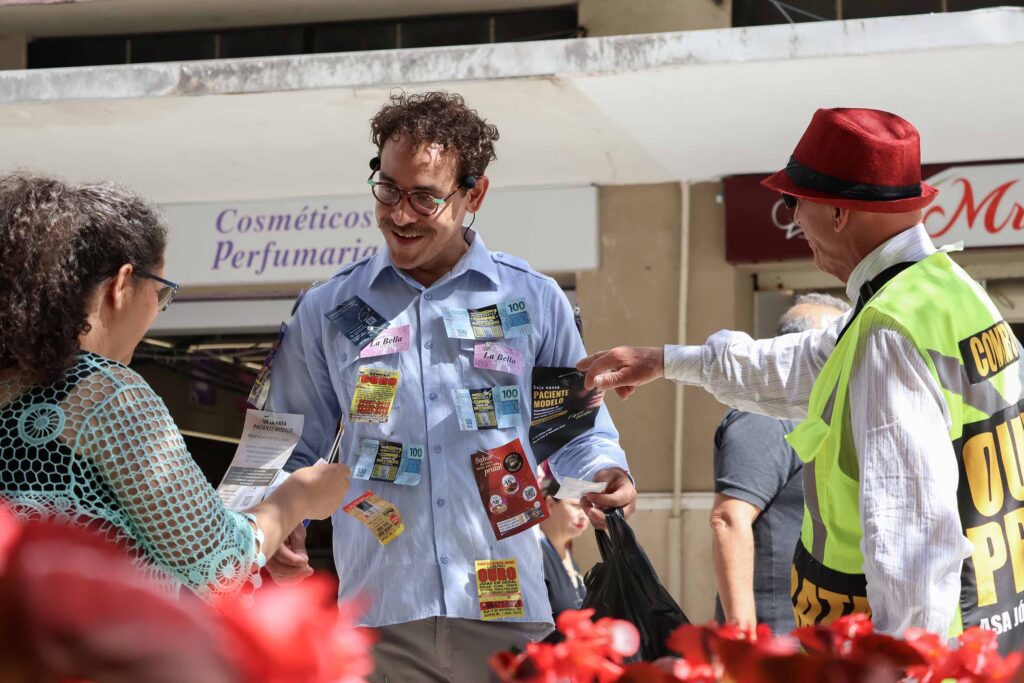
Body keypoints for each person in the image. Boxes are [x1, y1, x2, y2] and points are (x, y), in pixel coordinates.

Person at [578, 108, 1024, 653]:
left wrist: (906, 664)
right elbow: (803, 365)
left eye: (794, 202)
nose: (793, 221)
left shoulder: (888, 331)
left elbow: (911, 542)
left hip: (900, 654)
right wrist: (665, 361)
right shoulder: (947, 295)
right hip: (985, 633)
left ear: (838, 211)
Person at [263, 91, 636, 681]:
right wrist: (280, 518)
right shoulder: (328, 308)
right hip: (380, 615)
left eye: (425, 197)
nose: (400, 215)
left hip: (506, 616)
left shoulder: (534, 299)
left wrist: (605, 473)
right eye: (388, 190)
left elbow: (574, 433)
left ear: (473, 194)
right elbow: (287, 439)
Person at [0, 175, 351, 599]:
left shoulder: (13, 384)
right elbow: (220, 562)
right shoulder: (108, 395)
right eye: (160, 294)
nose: (157, 311)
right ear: (122, 284)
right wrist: (301, 496)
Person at [710, 294, 848, 634]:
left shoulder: (820, 415)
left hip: (819, 631)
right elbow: (729, 519)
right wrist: (742, 637)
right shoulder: (765, 416)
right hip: (776, 637)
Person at [538, 477, 590, 620]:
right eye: (576, 506)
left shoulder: (566, 553)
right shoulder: (533, 552)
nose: (584, 516)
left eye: (588, 508)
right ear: (550, 504)